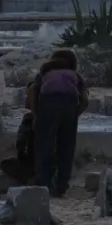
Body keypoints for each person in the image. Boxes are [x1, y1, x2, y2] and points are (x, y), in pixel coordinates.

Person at [30, 49, 87, 197]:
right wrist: (74, 114)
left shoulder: (45, 74)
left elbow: (32, 91)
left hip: (48, 104)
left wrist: (36, 114)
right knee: (67, 146)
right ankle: (61, 186)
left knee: (44, 145)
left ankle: (43, 185)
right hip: (69, 105)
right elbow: (84, 101)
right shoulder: (75, 75)